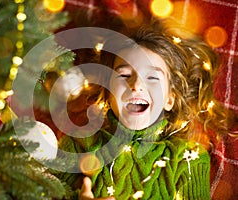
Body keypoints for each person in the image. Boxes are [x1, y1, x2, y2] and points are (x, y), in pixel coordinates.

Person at [55, 23, 212, 200]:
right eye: (124, 75)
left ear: (170, 99)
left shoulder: (188, 158)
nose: (136, 86)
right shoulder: (76, 145)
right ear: (107, 93)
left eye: (152, 77)